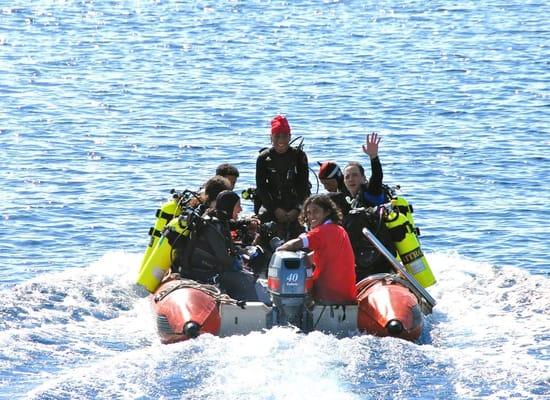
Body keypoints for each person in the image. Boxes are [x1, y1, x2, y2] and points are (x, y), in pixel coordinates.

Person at [173, 190, 260, 301]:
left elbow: (229, 225)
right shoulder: (212, 227)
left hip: (205, 269)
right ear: (229, 207)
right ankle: (256, 310)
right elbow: (224, 259)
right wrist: (243, 260)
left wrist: (246, 222)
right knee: (246, 279)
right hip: (201, 274)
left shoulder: (217, 219)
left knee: (245, 273)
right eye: (238, 206)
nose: (241, 209)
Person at [276, 194, 357, 303]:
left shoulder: (322, 232)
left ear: (327, 212)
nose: (311, 216)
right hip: (347, 295)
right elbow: (313, 258)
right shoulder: (340, 230)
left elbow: (296, 244)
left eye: (316, 211)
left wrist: (278, 253)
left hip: (329, 296)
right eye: (308, 212)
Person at [255, 115, 310, 239]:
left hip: (294, 202)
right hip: (272, 203)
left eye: (285, 136)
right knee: (264, 222)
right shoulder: (263, 158)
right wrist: (275, 209)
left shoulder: (299, 156)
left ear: (290, 137)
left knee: (301, 226)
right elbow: (261, 188)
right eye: (277, 136)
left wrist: (297, 209)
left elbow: (303, 186)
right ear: (271, 138)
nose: (281, 140)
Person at [343, 132, 386, 208]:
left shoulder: (371, 193)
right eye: (347, 177)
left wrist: (374, 157)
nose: (351, 179)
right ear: (344, 182)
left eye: (355, 175)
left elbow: (377, 177)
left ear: (363, 178)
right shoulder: (352, 199)